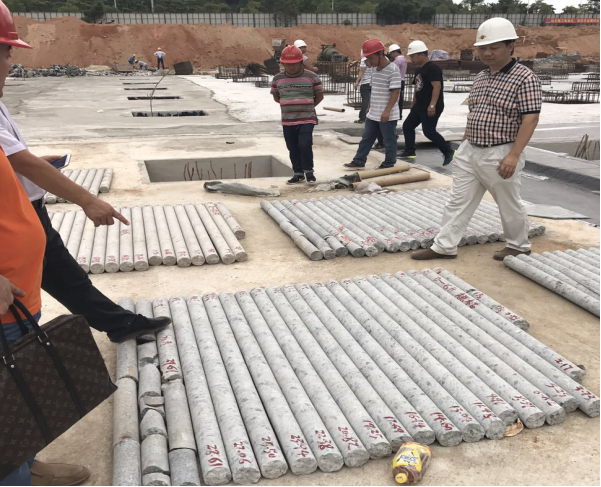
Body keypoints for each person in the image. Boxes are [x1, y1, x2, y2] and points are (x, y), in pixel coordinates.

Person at [0, 4, 170, 346]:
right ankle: (119, 324)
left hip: (26, 218)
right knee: (57, 289)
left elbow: (16, 159)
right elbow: (23, 162)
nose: (10, 65)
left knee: (68, 280)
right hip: (14, 225)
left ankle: (120, 324)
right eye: (6, 54)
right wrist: (87, 200)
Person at [0, 87, 89, 487]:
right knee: (6, 404)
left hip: (18, 293)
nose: (9, 66)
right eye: (6, 57)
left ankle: (26, 466)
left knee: (21, 393)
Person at [412, 18, 541, 262]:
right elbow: (475, 112)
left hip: (500, 152)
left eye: (494, 47)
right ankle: (444, 246)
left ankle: (518, 245)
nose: (487, 53)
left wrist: (513, 155)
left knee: (508, 202)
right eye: (483, 48)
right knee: (457, 201)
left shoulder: (525, 78)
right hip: (470, 149)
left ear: (510, 46)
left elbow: (530, 119)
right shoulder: (481, 76)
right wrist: (464, 144)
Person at [344, 39, 402, 170]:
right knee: (367, 138)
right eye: (367, 58)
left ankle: (389, 163)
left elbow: (395, 92)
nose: (369, 61)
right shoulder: (374, 70)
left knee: (389, 140)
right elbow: (374, 88)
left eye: (371, 58)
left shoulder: (393, 70)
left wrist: (387, 111)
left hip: (387, 114)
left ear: (380, 54)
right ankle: (359, 161)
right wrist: (370, 105)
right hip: (374, 112)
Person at [271, 45, 324, 185]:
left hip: (307, 118)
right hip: (287, 120)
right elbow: (276, 97)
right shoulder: (277, 79)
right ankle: (298, 173)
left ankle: (309, 171)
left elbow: (319, 96)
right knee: (292, 147)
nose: (291, 67)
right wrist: (290, 104)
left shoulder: (312, 77)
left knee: (305, 144)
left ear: (301, 62)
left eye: (294, 64)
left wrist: (307, 106)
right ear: (282, 64)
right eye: (287, 64)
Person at [400, 40, 454, 166]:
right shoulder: (418, 70)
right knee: (407, 126)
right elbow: (417, 87)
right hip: (419, 105)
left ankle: (448, 152)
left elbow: (437, 87)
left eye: (413, 56)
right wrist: (414, 102)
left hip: (431, 106)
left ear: (422, 55)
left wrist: (432, 105)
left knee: (429, 131)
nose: (411, 59)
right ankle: (409, 151)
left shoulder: (432, 68)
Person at [387, 43, 407, 121]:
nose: (391, 55)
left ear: (395, 52)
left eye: (391, 53)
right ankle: (399, 114)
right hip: (402, 80)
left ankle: (396, 114)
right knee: (400, 99)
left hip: (397, 81)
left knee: (395, 99)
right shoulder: (403, 59)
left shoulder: (397, 61)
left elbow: (391, 71)